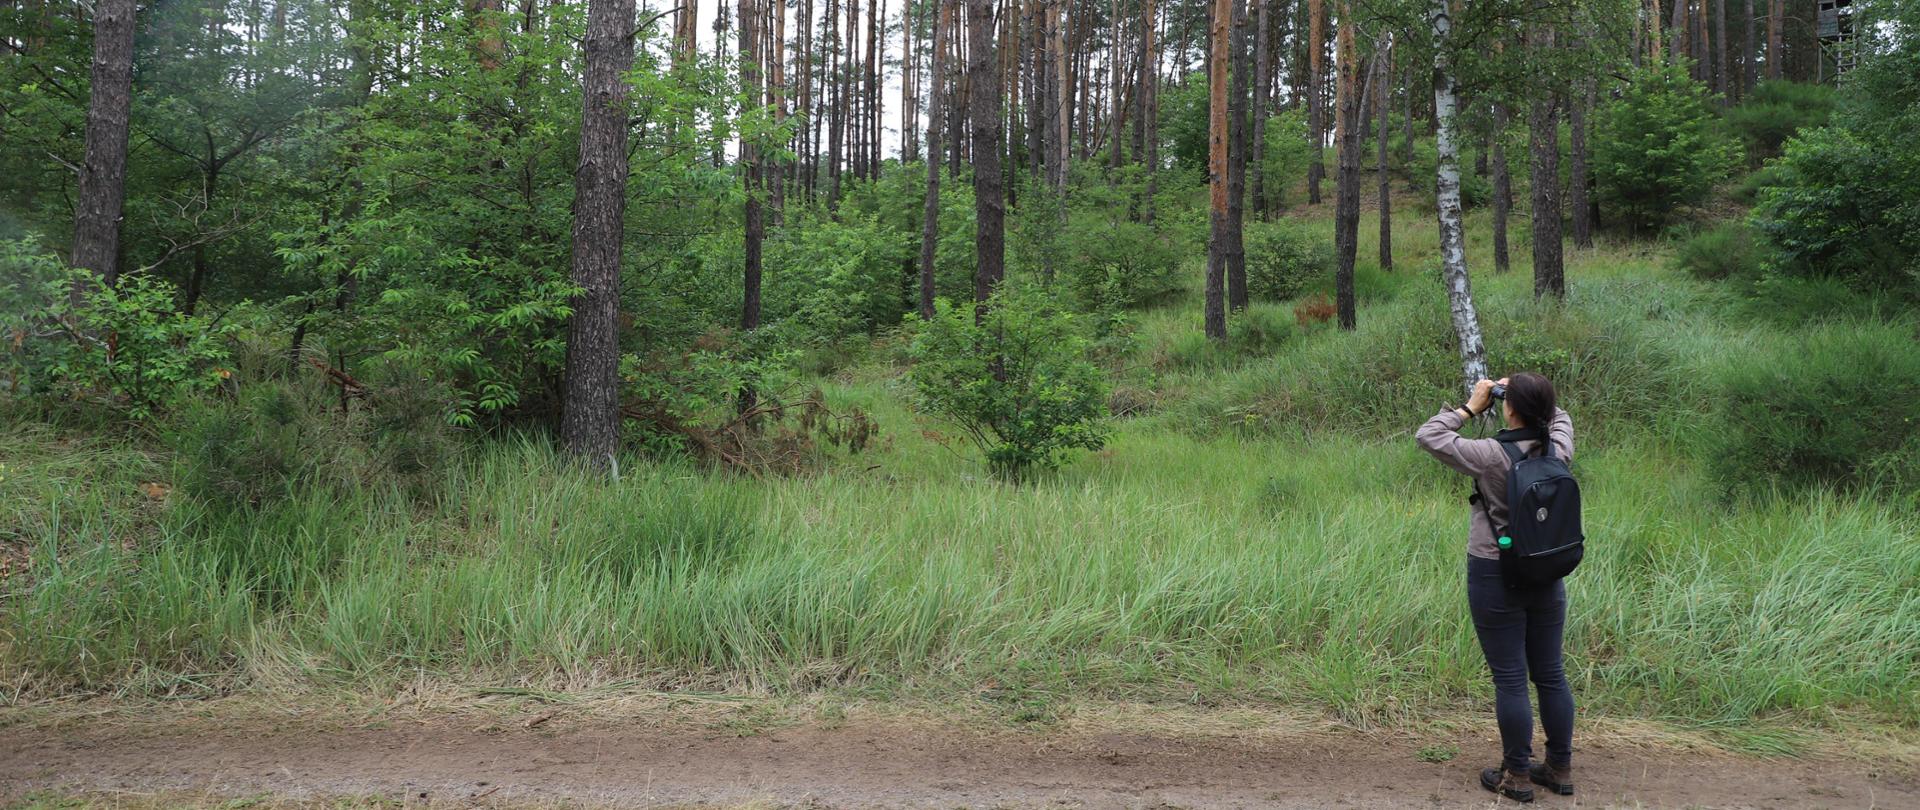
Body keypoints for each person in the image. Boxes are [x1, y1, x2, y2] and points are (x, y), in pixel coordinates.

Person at [1415, 373, 1576, 803]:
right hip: (1548, 569)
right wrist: (1531, 395)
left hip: (1494, 569)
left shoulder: (1490, 454)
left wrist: (1471, 405)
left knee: (1510, 679)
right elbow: (1560, 417)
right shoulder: (1558, 447)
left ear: (1507, 407)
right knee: (1550, 674)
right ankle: (1559, 767)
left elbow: (1428, 436)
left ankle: (1517, 775)